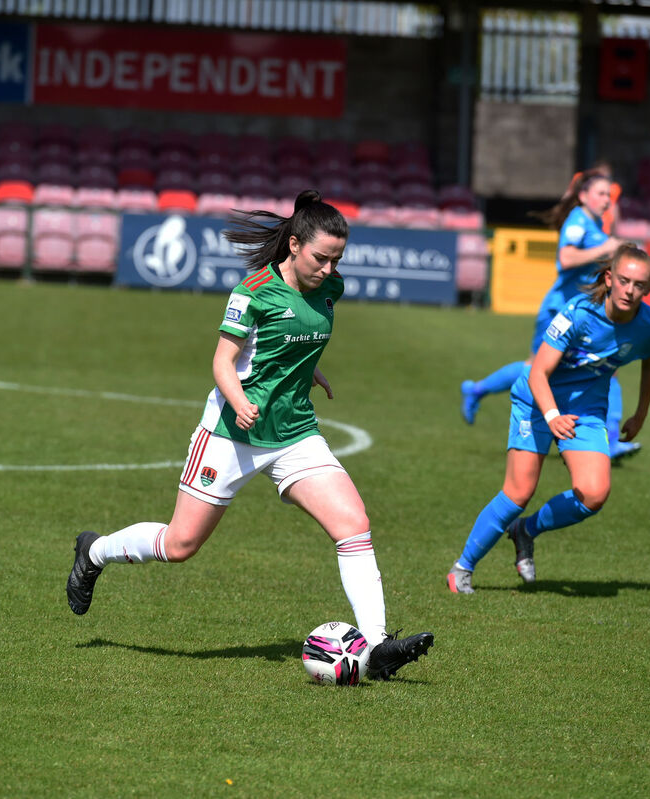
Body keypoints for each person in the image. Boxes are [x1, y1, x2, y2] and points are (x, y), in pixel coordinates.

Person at [65, 190, 433, 680]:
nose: (329, 269)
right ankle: (94, 551)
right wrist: (240, 403)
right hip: (231, 434)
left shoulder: (330, 289)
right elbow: (223, 362)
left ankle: (380, 646)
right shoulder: (253, 290)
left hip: (295, 433)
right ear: (295, 245)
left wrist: (310, 369)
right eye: (321, 258)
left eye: (337, 259)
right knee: (180, 545)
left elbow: (299, 336)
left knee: (353, 524)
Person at [447, 245, 650, 594]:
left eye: (639, 285)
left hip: (585, 412)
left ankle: (526, 530)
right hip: (536, 403)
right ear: (609, 279)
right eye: (624, 280)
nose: (630, 290)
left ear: (649, 289)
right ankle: (462, 568)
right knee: (519, 492)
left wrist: (641, 412)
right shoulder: (578, 313)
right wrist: (551, 415)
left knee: (594, 494)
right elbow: (537, 373)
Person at [460, 172, 639, 461]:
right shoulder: (578, 221)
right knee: (536, 370)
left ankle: (612, 439)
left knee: (608, 366)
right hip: (560, 310)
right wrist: (605, 248)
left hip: (580, 314)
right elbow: (566, 258)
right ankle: (477, 390)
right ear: (583, 195)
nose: (607, 200)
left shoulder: (593, 224)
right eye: (601, 194)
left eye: (609, 195)